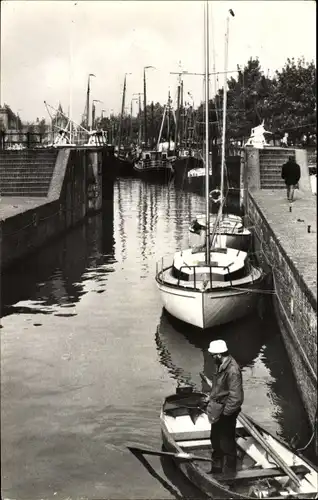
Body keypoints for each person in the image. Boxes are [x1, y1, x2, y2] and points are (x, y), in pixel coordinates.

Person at [201, 339, 244, 475]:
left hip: (226, 413)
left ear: (218, 355)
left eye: (213, 355)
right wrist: (212, 398)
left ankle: (230, 476)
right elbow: (221, 388)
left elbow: (236, 398)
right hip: (218, 411)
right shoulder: (222, 365)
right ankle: (216, 469)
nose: (212, 358)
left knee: (227, 444)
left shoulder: (232, 370)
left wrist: (225, 414)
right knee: (215, 439)